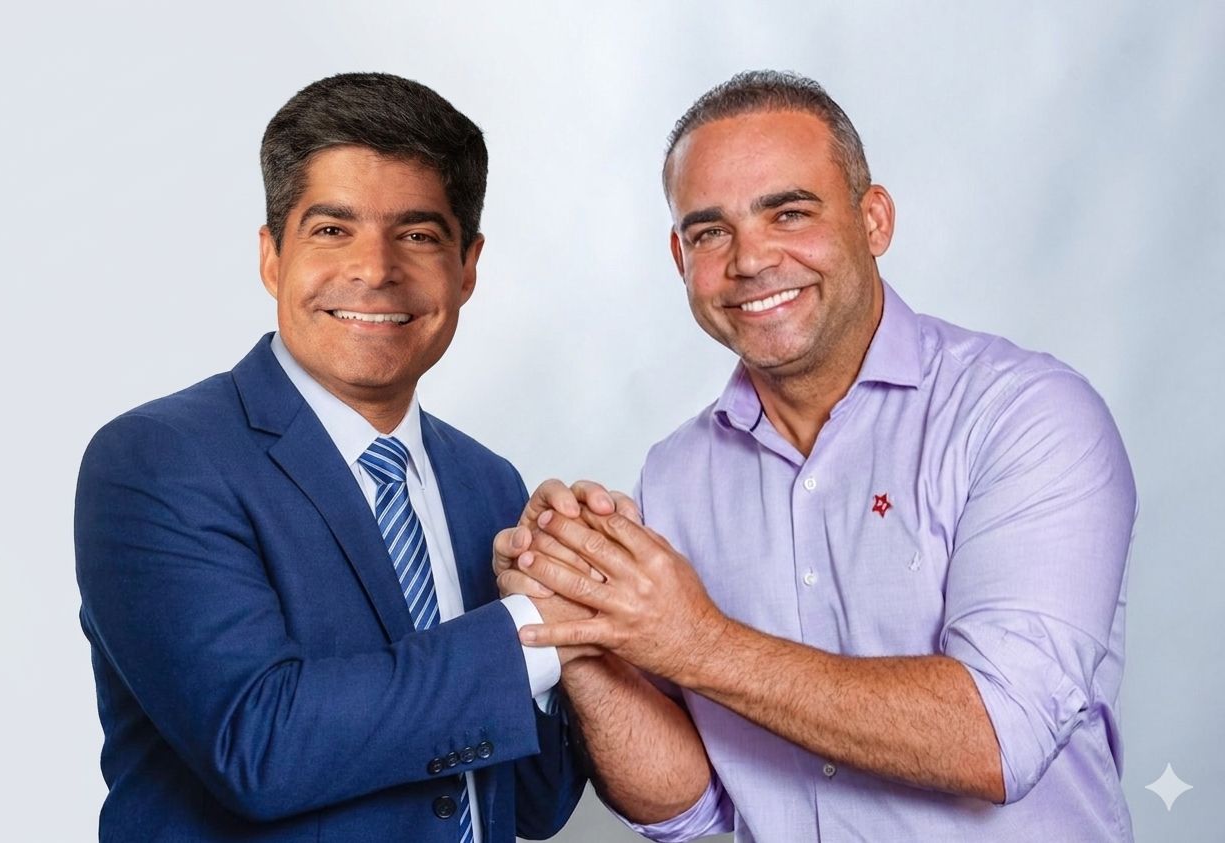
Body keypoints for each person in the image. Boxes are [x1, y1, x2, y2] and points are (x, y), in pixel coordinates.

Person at [496, 71, 1136, 841]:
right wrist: (582, 632)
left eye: (789, 213)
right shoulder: (675, 475)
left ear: (874, 219)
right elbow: (689, 809)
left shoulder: (1025, 415)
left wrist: (693, 640)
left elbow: (1000, 732)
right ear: (679, 256)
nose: (750, 259)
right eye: (710, 232)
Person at [74, 72, 583, 842]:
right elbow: (258, 744)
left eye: (418, 235)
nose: (374, 269)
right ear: (271, 256)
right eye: (332, 230)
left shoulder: (488, 482)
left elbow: (535, 805)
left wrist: (587, 612)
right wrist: (533, 629)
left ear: (467, 267)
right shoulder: (156, 463)